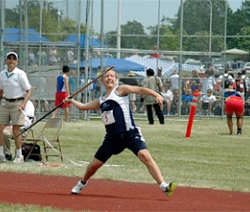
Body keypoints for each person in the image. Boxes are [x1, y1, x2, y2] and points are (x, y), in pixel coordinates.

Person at [65, 69, 176, 197]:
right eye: (106, 77)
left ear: (115, 79)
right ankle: (82, 183)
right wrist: (71, 101)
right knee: (94, 165)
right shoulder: (101, 101)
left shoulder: (120, 90)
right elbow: (83, 107)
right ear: (102, 80)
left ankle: (163, 186)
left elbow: (139, 90)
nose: (109, 79)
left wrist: (156, 95)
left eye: (112, 76)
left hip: (130, 134)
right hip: (112, 138)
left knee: (145, 156)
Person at [0, 52, 32, 163]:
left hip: (17, 102)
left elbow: (28, 90)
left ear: (16, 62)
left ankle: (19, 155)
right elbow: (0, 91)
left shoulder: (20, 74)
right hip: (5, 102)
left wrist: (23, 104)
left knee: (16, 130)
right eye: (9, 58)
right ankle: (1, 154)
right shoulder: (2, 74)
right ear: (6, 61)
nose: (11, 61)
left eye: (13, 59)